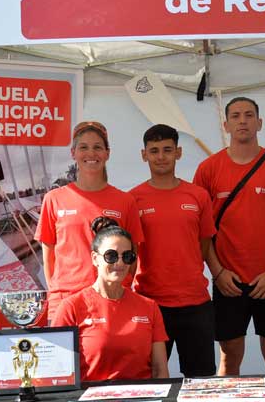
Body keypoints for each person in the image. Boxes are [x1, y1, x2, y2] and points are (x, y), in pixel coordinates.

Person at [193, 96, 265, 375]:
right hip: (229, 281)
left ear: (260, 123)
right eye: (237, 116)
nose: (243, 121)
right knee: (229, 358)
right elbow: (200, 231)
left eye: (249, 115)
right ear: (226, 124)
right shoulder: (208, 169)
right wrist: (217, 273)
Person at [130, 124, 217, 377]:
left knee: (201, 381)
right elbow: (131, 252)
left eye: (167, 150)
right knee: (151, 381)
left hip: (196, 303)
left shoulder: (198, 196)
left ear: (178, 153)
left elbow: (204, 244)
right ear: (144, 154)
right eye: (154, 150)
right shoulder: (132, 199)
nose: (161, 156)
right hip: (151, 304)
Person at [35, 121, 144, 320]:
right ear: (73, 153)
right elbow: (48, 257)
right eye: (83, 147)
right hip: (66, 302)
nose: (91, 153)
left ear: (107, 153)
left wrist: (119, 287)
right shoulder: (54, 199)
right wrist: (59, 294)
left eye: (97, 147)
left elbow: (133, 255)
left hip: (112, 300)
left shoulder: (125, 201)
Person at [51, 220, 169, 381]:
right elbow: (59, 373)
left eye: (127, 256)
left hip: (144, 399)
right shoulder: (71, 307)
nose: (119, 263)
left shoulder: (149, 307)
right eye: (111, 256)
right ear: (95, 258)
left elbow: (160, 370)